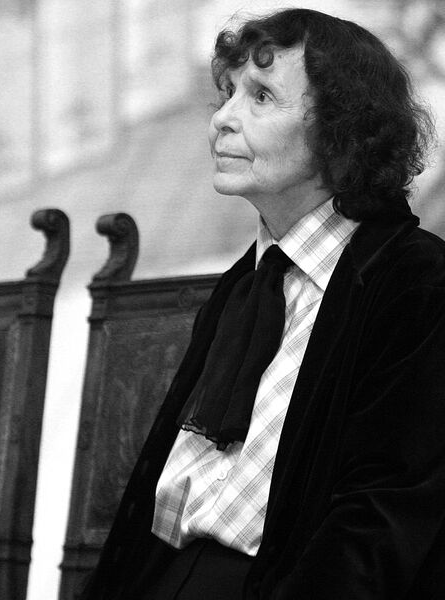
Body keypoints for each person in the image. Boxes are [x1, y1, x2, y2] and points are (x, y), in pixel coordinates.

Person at [80, 7, 445, 599]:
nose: (222, 119)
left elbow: (385, 517)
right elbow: (154, 508)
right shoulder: (245, 284)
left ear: (342, 129)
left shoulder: (416, 281)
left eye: (261, 97)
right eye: (227, 94)